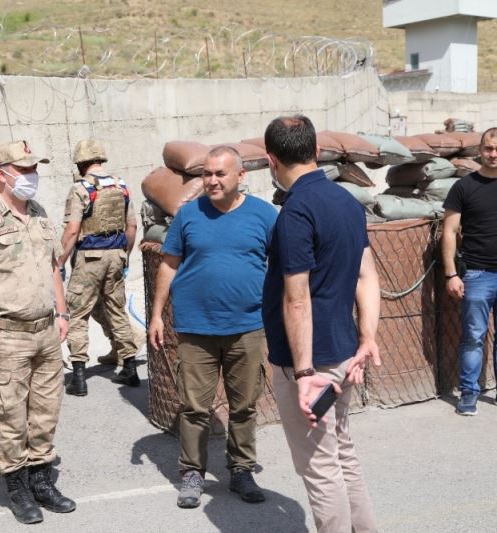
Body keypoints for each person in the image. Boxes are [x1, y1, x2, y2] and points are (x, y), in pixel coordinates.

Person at [262, 115, 381, 533]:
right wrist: (367, 337)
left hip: (313, 365)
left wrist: (304, 372)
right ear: (315, 151)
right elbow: (367, 276)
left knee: (320, 467)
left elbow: (297, 299)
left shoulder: (295, 213)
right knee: (341, 454)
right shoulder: (347, 201)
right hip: (344, 353)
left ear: (271, 160)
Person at [148, 145, 277, 509]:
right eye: (207, 174)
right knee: (194, 408)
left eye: (220, 173)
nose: (212, 180)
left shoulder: (264, 215)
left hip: (247, 327)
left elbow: (283, 266)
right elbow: (169, 264)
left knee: (244, 406)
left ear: (241, 176)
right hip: (196, 328)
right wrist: (156, 315)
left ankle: (241, 470)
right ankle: (192, 473)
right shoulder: (188, 215)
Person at [0, 140, 76, 524]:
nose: (31, 176)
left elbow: (54, 267)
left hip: (45, 332)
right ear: (2, 175)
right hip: (7, 335)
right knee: (10, 416)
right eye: (24, 170)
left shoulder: (39, 213)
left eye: (33, 169)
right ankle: (18, 488)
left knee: (46, 411)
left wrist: (62, 312)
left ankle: (41, 481)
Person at [59, 139, 139, 396]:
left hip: (89, 258)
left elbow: (73, 230)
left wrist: (59, 261)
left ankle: (79, 377)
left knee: (78, 313)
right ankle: (130, 368)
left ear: (80, 164)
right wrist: (124, 256)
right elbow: (132, 226)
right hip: (116, 254)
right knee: (117, 309)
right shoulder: (121, 186)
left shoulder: (80, 188)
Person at [442, 127, 497, 416]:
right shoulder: (463, 187)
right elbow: (449, 232)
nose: (493, 154)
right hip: (477, 273)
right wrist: (451, 274)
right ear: (480, 151)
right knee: (474, 337)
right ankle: (468, 393)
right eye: (488, 148)